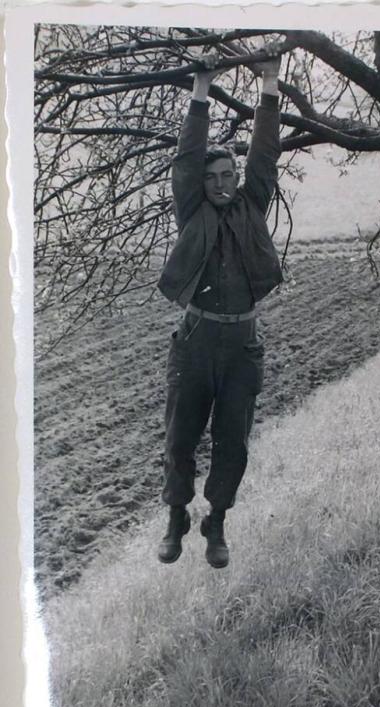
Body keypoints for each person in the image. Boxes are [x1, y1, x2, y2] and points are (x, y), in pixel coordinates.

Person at [157, 49, 283, 569]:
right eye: (214, 177)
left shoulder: (254, 201)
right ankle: (175, 517)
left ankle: (217, 523)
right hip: (197, 340)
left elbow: (266, 154)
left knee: (233, 440)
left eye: (228, 173)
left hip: (242, 347)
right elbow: (187, 157)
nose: (223, 182)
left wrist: (271, 84)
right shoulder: (193, 210)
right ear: (202, 185)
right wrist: (201, 89)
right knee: (181, 435)